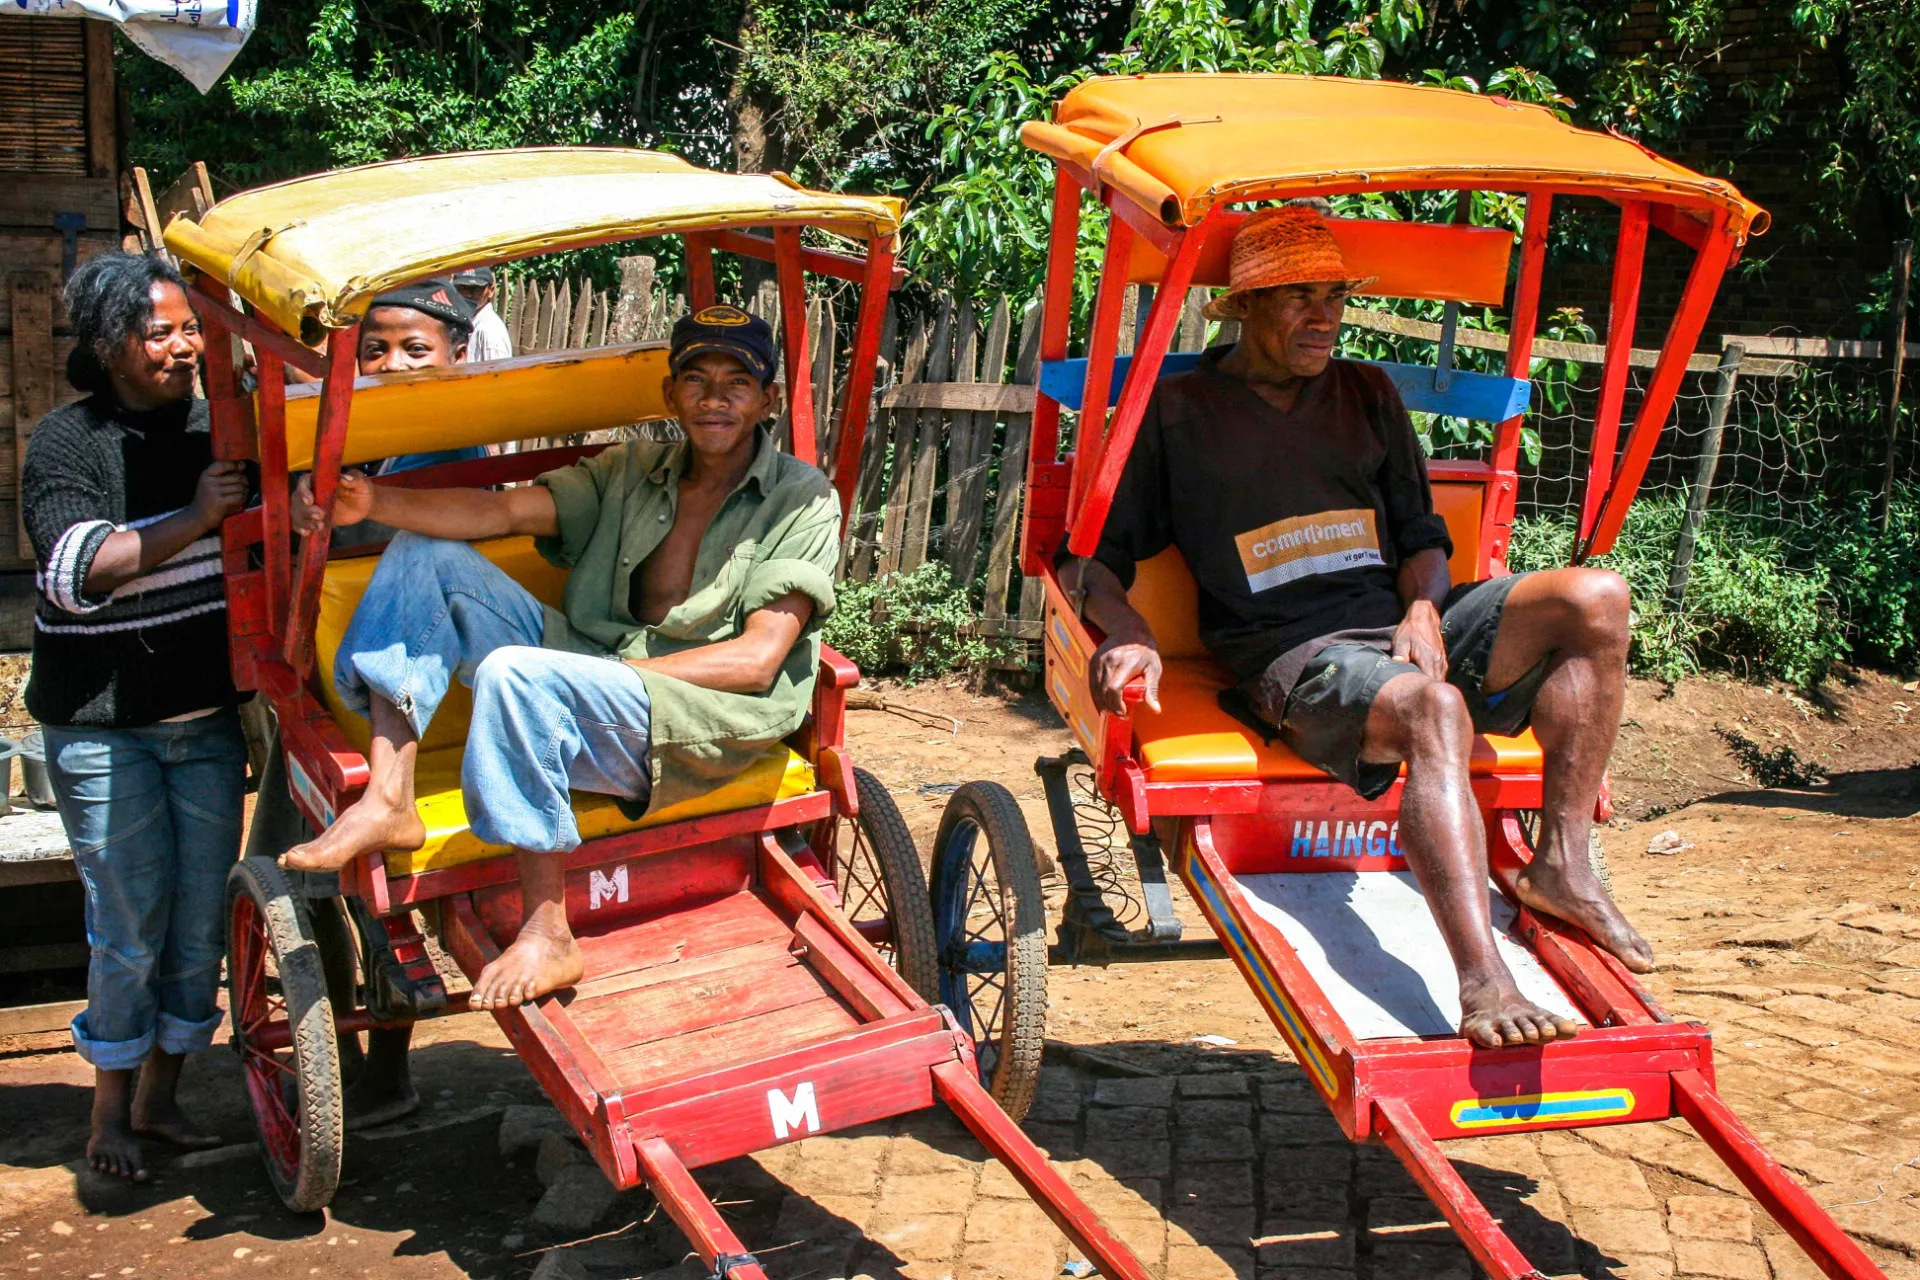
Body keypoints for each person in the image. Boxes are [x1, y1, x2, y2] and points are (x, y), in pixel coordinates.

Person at [1073, 206, 1651, 1050]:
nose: (1326, 317)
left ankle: (1561, 862)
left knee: (1596, 598)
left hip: (1398, 624)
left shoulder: (1368, 393)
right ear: (1245, 306)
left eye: (1335, 298)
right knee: (1434, 708)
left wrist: (1423, 609)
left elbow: (1421, 537)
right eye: (1299, 298)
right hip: (1294, 654)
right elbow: (1094, 563)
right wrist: (1129, 632)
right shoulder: (1178, 411)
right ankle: (1484, 981)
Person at [279, 305, 839, 1010]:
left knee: (519, 672)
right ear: (670, 394)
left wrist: (595, 679)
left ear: (767, 398)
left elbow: (756, 661)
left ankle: (548, 931)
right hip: (602, 676)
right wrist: (373, 502)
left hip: (702, 720)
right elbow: (504, 513)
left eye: (738, 382)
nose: (715, 398)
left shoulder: (801, 498)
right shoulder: (633, 470)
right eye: (697, 380)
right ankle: (389, 796)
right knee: (425, 555)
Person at [22, 252, 251, 1180]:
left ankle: (161, 1098)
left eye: (191, 328)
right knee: (128, 925)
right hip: (101, 728)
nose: (183, 346)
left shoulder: (221, 427)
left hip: (204, 720)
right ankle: (106, 1114)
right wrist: (196, 518)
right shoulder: (66, 442)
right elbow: (76, 573)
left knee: (197, 927)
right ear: (109, 345)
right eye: (160, 333)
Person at [452, 266, 513, 364]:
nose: (468, 294)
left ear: (491, 291)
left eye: (475, 288)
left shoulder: (490, 331)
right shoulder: (464, 322)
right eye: (462, 288)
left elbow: (498, 372)